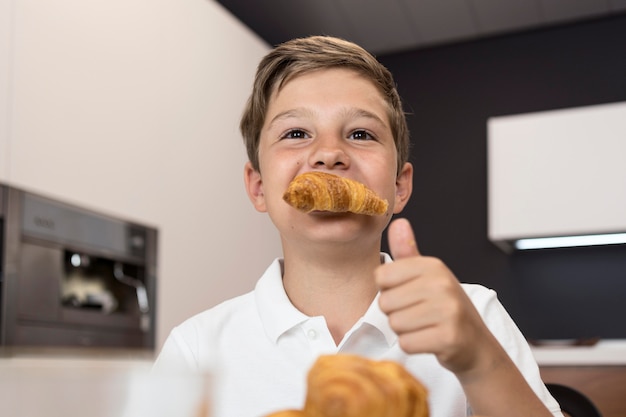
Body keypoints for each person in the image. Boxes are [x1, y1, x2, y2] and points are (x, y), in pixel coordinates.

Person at [153, 35, 563, 417]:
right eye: (296, 133)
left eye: (361, 133)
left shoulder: (475, 316)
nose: (329, 154)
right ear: (258, 187)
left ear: (400, 187)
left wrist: (478, 361)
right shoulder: (196, 349)